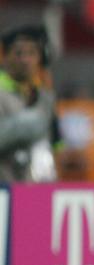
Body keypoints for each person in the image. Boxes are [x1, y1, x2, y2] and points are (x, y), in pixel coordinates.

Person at [0, 25, 58, 182]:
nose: (26, 60)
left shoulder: (45, 97)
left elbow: (56, 144)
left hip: (37, 190)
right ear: (4, 56)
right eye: (19, 53)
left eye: (32, 53)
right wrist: (19, 127)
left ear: (40, 58)